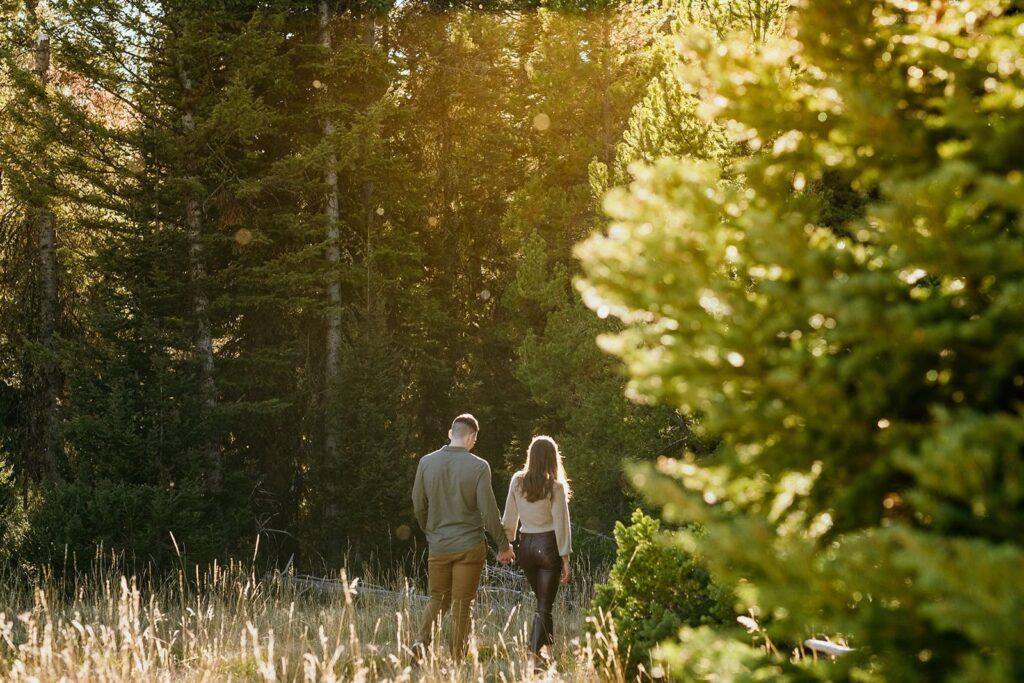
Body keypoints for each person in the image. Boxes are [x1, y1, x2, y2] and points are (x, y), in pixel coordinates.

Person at [411, 413, 515, 662]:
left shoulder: (426, 462)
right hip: (469, 546)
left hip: (439, 545)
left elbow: (418, 504)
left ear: (450, 433)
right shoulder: (478, 466)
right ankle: (457, 660)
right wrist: (503, 545)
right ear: (471, 437)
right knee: (461, 604)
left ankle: (420, 644)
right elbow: (489, 511)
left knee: (438, 598)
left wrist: (431, 530)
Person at [502, 435, 572, 669]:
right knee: (544, 607)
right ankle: (532, 658)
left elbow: (509, 518)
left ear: (530, 456)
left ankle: (546, 658)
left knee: (543, 605)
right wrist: (566, 559)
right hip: (548, 547)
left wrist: (507, 545)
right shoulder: (555, 486)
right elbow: (562, 525)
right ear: (553, 458)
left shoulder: (517, 481)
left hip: (526, 548)